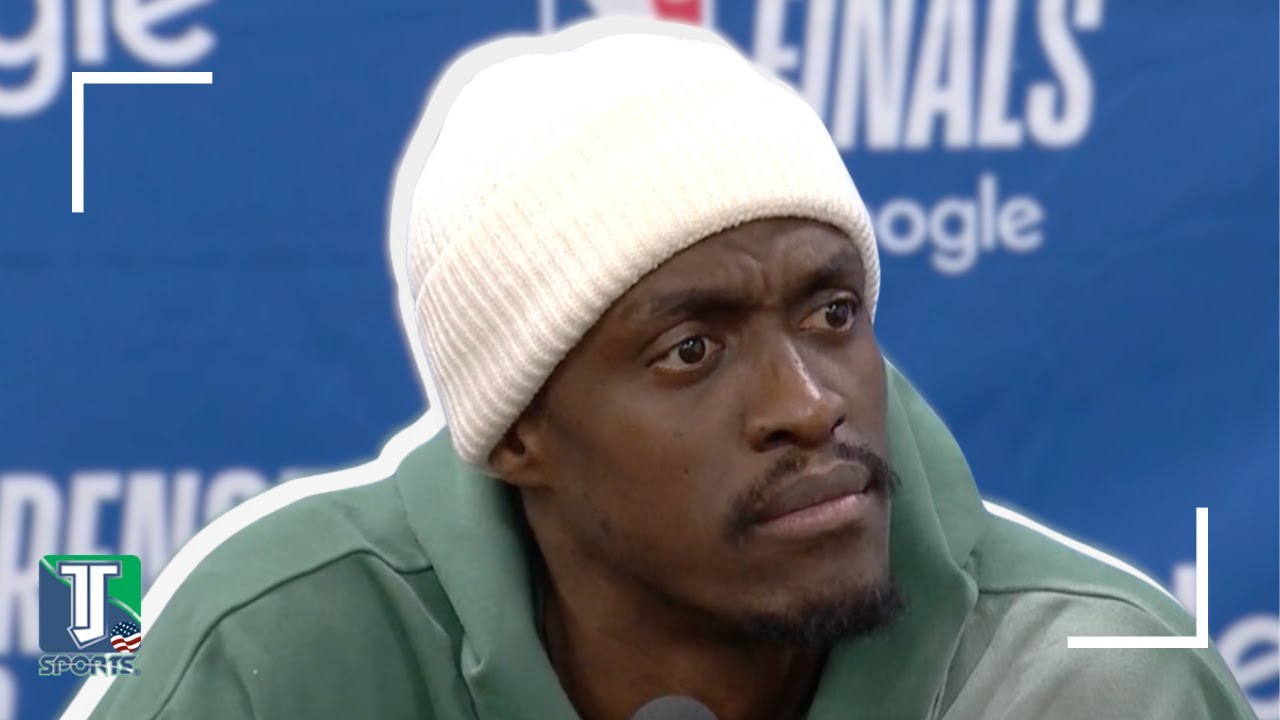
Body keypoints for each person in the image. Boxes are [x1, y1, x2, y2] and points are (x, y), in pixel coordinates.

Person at [69, 17, 1256, 720]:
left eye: (831, 313)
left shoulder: (1089, 688)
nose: (808, 405)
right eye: (691, 350)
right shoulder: (278, 657)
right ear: (516, 432)